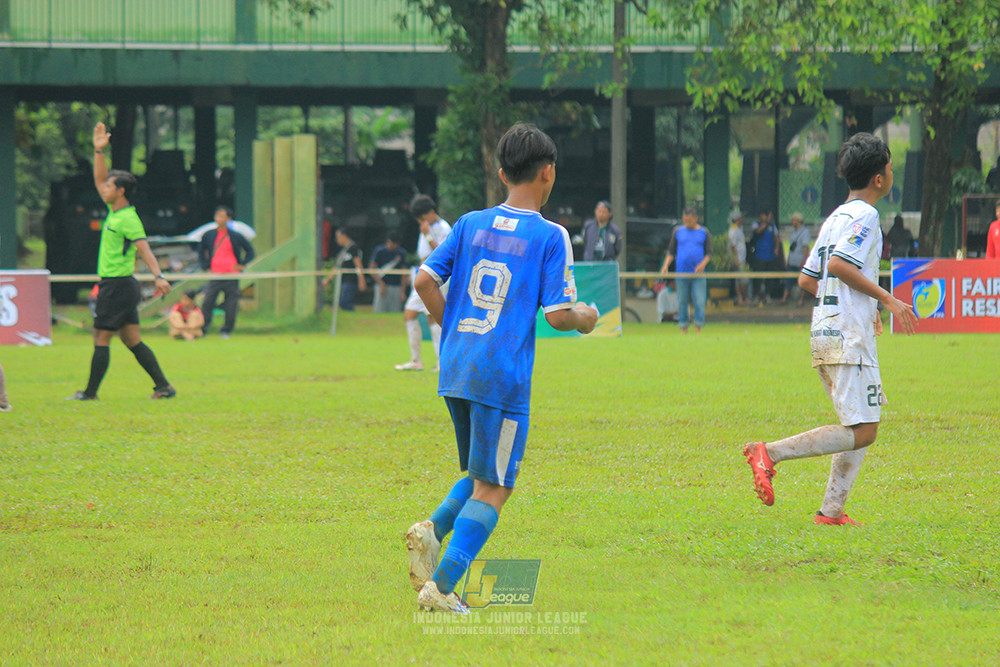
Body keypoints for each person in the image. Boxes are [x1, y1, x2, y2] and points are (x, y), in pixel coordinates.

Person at [405, 123, 597, 614]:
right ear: (548, 172)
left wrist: (456, 333)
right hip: (501, 376)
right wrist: (587, 318)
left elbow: (425, 282)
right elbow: (557, 314)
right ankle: (442, 588)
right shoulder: (551, 234)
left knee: (477, 471)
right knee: (498, 484)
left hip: (456, 365)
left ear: (500, 171)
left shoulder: (468, 223)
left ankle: (430, 532)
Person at [742, 132, 918, 526]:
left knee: (859, 421)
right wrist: (884, 299)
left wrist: (859, 301)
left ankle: (832, 511)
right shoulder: (867, 216)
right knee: (864, 429)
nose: (891, 172)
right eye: (890, 166)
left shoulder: (836, 216)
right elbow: (839, 266)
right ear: (878, 178)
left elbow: (809, 279)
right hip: (848, 334)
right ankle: (768, 453)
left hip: (825, 331)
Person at [68, 122, 175, 401]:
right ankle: (164, 387)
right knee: (132, 339)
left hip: (117, 285)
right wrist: (99, 151)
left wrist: (159, 276)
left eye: (110, 186)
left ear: (121, 192)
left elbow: (145, 249)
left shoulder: (128, 218)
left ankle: (90, 393)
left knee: (101, 338)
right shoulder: (114, 212)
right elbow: (98, 179)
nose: (103, 188)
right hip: (120, 286)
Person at [394, 194, 451, 371]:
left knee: (433, 318)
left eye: (422, 217)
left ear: (431, 212)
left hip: (437, 277)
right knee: (409, 313)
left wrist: (427, 236)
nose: (421, 222)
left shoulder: (443, 228)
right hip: (422, 274)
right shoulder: (425, 227)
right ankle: (415, 360)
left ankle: (442, 362)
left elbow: (444, 253)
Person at [198, 206, 255, 339]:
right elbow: (201, 252)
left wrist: (242, 265)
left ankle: (226, 330)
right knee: (208, 302)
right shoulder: (209, 235)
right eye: (217, 216)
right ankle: (203, 328)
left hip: (231, 274)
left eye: (222, 216)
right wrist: (206, 267)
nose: (219, 219)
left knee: (231, 304)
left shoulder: (235, 236)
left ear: (229, 219)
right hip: (216, 274)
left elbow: (250, 251)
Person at [659, 206, 711, 333]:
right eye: (685, 220)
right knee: (682, 301)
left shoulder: (704, 232)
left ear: (696, 218)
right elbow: (671, 251)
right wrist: (665, 265)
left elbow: (709, 253)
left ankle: (698, 325)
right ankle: (684, 326)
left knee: (699, 300)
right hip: (681, 273)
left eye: (690, 220)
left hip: (698, 274)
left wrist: (703, 264)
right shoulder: (678, 231)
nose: (687, 223)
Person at [322, 228, 367, 311]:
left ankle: (352, 315)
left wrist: (361, 279)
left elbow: (358, 264)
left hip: (351, 280)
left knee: (345, 301)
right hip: (344, 280)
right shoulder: (344, 250)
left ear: (344, 236)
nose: (337, 239)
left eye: (338, 237)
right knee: (343, 301)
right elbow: (337, 267)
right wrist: (328, 280)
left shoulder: (353, 248)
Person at [368, 231, 409, 313]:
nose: (394, 246)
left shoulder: (401, 253)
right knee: (379, 310)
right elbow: (371, 269)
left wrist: (403, 291)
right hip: (381, 285)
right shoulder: (379, 251)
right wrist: (381, 283)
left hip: (396, 286)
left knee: (395, 310)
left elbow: (403, 274)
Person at [749, 208, 781, 304]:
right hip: (759, 256)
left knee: (769, 277)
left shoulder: (773, 227)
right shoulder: (756, 225)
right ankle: (756, 296)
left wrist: (776, 249)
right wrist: (766, 223)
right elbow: (758, 232)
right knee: (758, 277)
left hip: (770, 256)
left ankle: (768, 296)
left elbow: (776, 239)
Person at [783, 212, 812, 305]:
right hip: (792, 260)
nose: (792, 221)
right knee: (789, 280)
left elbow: (805, 248)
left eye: (793, 219)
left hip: (800, 261)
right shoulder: (794, 232)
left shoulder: (805, 232)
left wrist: (803, 261)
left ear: (797, 221)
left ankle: (801, 300)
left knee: (802, 281)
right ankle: (784, 298)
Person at [727, 209, 750, 306]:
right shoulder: (733, 230)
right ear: (738, 219)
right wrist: (736, 259)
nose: (743, 219)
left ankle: (743, 298)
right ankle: (742, 298)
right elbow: (733, 247)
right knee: (740, 279)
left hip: (742, 259)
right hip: (738, 260)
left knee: (742, 279)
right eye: (741, 217)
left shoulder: (739, 229)